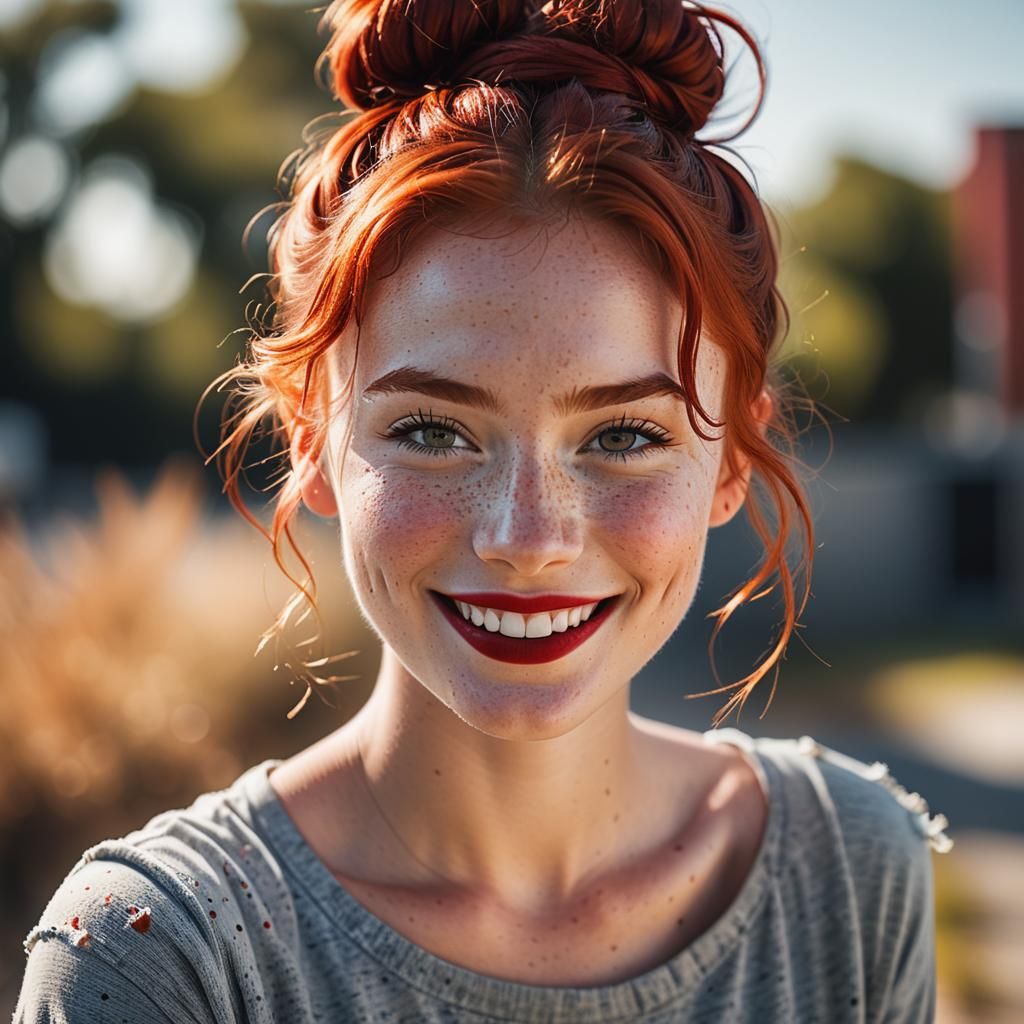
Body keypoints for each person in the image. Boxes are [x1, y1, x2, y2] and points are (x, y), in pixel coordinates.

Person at [14, 1, 954, 1021]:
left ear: (730, 458)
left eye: (625, 436)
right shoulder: (158, 956)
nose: (526, 537)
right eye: (432, 430)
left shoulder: (852, 871)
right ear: (308, 440)